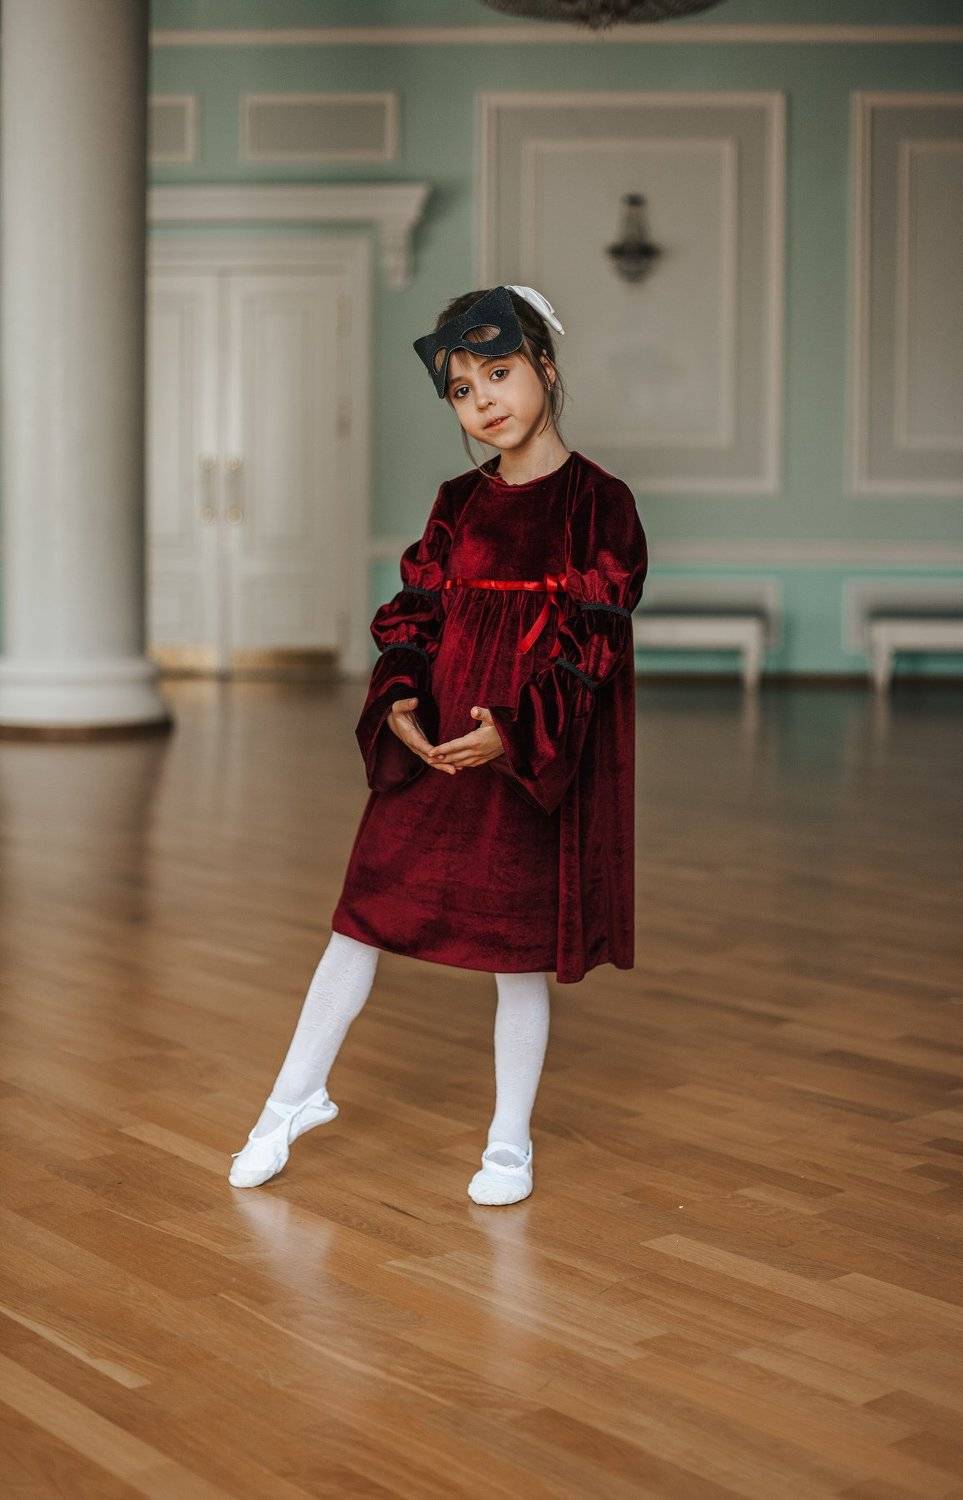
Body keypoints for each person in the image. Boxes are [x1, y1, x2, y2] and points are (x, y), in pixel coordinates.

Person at [228, 284, 648, 1205]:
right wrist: (400, 698)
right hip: (437, 749)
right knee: (359, 919)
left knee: (514, 953)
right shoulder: (458, 501)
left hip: (522, 756)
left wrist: (516, 733)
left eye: (499, 373)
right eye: (462, 389)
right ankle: (289, 1102)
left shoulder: (599, 504)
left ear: (545, 368)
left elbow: (592, 643)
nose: (484, 400)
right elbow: (416, 614)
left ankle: (509, 1143)